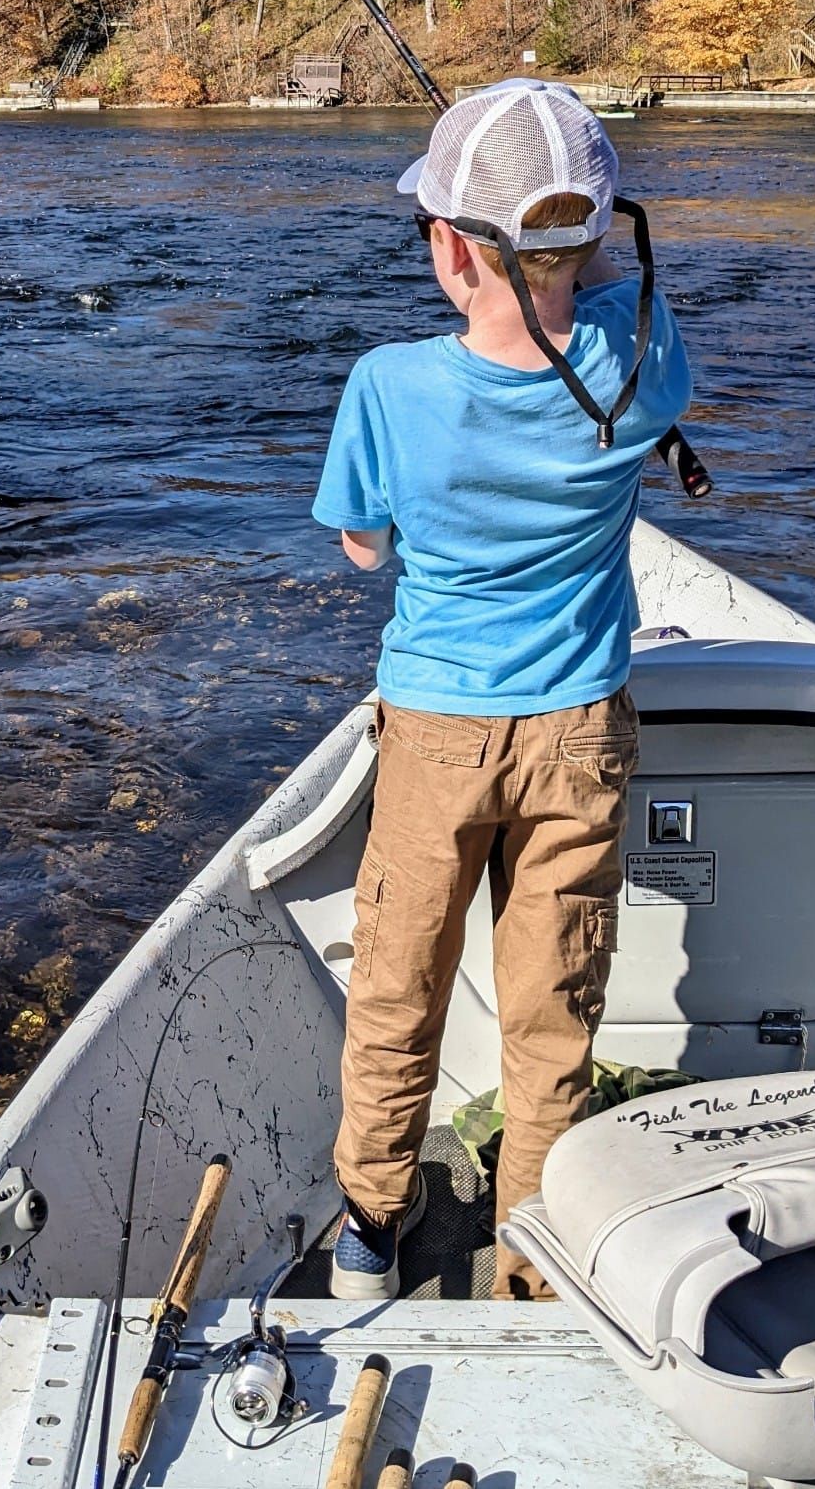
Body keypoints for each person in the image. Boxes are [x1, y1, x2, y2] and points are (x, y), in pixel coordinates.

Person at [312, 78, 693, 1301]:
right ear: (593, 241)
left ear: (442, 250)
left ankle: (371, 1221)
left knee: (397, 986)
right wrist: (566, 264)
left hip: (435, 735)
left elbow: (362, 545)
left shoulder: (386, 385)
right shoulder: (641, 348)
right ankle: (533, 1251)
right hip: (582, 728)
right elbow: (614, 290)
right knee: (552, 1002)